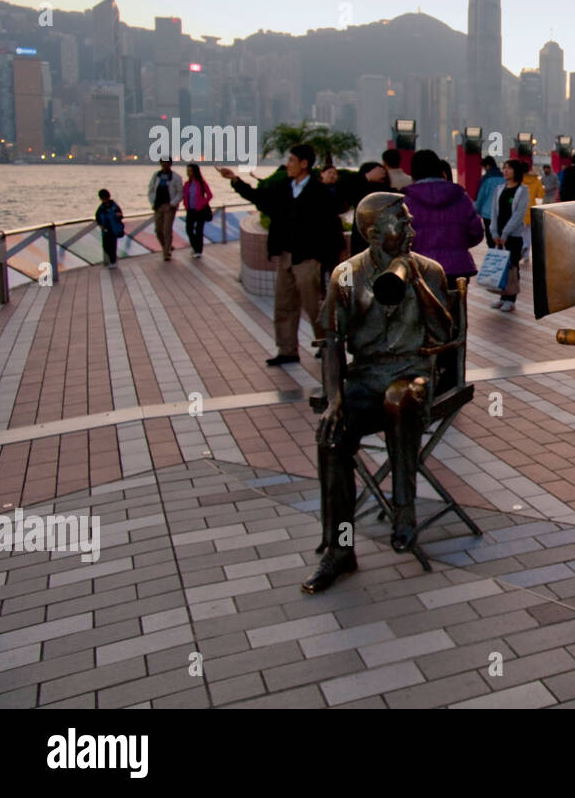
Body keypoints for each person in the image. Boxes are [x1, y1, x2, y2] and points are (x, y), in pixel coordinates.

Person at [306, 192, 455, 593]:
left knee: (399, 399)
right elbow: (332, 341)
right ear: (373, 233)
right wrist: (335, 399)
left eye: (409, 221)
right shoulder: (346, 275)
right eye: (401, 223)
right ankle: (340, 550)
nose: (411, 229)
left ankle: (403, 509)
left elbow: (444, 334)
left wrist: (416, 279)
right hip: (367, 375)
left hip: (413, 373)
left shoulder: (430, 269)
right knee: (332, 437)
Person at [217, 144, 344, 366]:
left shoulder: (319, 192)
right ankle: (287, 350)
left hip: (308, 258)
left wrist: (327, 258)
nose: (288, 164)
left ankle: (326, 347)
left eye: (292, 160)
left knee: (314, 305)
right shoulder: (284, 188)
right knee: (284, 304)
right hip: (286, 255)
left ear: (304, 164)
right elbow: (260, 198)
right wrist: (235, 180)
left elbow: (330, 226)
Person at [403, 149, 485, 289]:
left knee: (424, 309)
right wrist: (457, 246)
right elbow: (476, 232)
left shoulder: (407, 200)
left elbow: (402, 237)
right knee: (454, 308)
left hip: (420, 268)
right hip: (457, 269)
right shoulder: (460, 197)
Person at [489, 159, 529, 313]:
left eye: (509, 168)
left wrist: (505, 233)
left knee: (512, 266)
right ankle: (502, 297)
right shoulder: (500, 188)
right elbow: (494, 211)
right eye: (504, 168)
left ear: (516, 171)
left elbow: (519, 214)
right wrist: (494, 232)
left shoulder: (522, 190)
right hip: (498, 234)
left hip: (513, 235)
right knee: (500, 265)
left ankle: (511, 299)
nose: (505, 171)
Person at [148, 157, 184, 261]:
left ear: (170, 164)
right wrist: (152, 202)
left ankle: (166, 252)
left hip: (169, 207)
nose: (165, 165)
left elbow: (180, 192)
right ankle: (167, 246)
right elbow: (150, 190)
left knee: (167, 230)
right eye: (163, 163)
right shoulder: (156, 176)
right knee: (158, 230)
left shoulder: (176, 177)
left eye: (167, 163)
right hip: (158, 206)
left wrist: (173, 204)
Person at [182, 163, 214, 259]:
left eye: (190, 170)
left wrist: (202, 203)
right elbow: (185, 196)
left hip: (200, 210)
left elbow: (209, 195)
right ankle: (195, 247)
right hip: (190, 210)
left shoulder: (201, 183)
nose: (188, 173)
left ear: (195, 171)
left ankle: (198, 250)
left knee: (199, 231)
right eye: (187, 171)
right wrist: (185, 204)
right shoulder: (187, 184)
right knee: (189, 229)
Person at [95, 189, 125, 269]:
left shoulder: (114, 205)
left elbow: (120, 215)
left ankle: (113, 261)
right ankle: (113, 260)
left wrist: (119, 215)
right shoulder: (101, 208)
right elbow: (97, 217)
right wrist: (100, 225)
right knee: (105, 246)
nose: (103, 199)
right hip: (106, 230)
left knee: (112, 245)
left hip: (113, 229)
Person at [520, 158, 543, 260]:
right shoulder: (536, 180)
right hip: (530, 210)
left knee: (519, 232)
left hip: (519, 210)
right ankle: (526, 254)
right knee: (528, 233)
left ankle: (521, 248)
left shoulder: (518, 179)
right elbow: (541, 194)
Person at [475, 156, 504, 224]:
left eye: (484, 167)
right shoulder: (505, 177)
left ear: (487, 166)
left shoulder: (485, 179)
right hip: (502, 213)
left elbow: (480, 197)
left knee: (489, 233)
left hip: (488, 214)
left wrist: (477, 211)